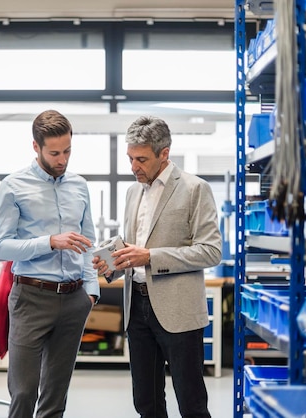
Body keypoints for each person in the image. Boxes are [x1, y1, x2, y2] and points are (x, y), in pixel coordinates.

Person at [93, 115, 222, 418]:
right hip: (136, 307)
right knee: (146, 402)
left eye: (141, 159)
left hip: (177, 310)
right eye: (130, 158)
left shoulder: (195, 189)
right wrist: (111, 263)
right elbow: (131, 245)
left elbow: (211, 251)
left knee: (191, 403)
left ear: (164, 154)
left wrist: (151, 257)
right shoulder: (132, 192)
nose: (133, 167)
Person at [0, 109, 99, 418]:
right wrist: (50, 241)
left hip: (74, 299)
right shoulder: (13, 186)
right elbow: (0, 246)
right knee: (24, 392)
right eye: (54, 152)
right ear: (36, 147)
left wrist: (90, 291)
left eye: (67, 151)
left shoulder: (79, 186)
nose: (62, 159)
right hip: (31, 297)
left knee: (55, 396)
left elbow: (87, 243)